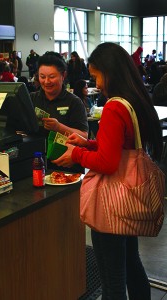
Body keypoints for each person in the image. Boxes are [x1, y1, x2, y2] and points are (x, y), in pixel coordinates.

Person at [52, 42, 163, 300]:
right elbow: (121, 147)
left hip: (110, 204)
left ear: (109, 71)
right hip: (129, 199)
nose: (96, 83)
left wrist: (76, 154)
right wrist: (87, 143)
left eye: (96, 76)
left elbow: (107, 162)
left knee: (112, 282)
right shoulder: (133, 100)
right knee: (133, 266)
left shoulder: (114, 106)